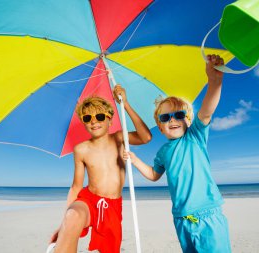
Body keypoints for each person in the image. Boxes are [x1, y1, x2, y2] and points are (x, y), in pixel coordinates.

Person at [123, 55, 231, 252]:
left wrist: (214, 81)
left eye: (179, 115)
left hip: (207, 214)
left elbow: (206, 112)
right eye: (165, 117)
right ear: (160, 127)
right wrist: (135, 160)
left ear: (188, 120)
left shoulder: (195, 136)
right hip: (181, 218)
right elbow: (154, 175)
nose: (173, 119)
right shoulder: (163, 152)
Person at [49, 85, 152, 253]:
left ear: (110, 120)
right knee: (72, 217)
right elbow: (76, 186)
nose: (94, 121)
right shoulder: (81, 149)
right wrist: (64, 225)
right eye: (88, 118)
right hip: (88, 200)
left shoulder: (120, 138)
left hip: (112, 206)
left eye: (99, 116)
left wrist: (125, 103)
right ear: (84, 123)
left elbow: (146, 137)